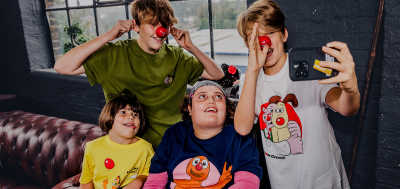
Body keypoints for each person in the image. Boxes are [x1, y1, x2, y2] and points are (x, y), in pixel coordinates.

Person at [54, 0, 224, 146]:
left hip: (175, 145)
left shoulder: (178, 56)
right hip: (131, 149)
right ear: (135, 26)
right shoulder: (113, 54)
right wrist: (109, 35)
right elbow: (62, 66)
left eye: (164, 25)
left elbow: (216, 75)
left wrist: (191, 47)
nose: (160, 31)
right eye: (152, 24)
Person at [234, 0, 360, 188]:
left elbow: (347, 108)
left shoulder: (307, 68)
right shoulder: (250, 80)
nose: (263, 42)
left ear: (284, 34)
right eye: (253, 38)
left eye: (268, 33)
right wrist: (252, 71)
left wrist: (351, 89)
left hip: (323, 180)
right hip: (283, 181)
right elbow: (243, 128)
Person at [143, 80, 262, 189]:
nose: (211, 101)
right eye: (202, 96)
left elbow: (248, 183)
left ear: (226, 109)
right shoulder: (174, 134)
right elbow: (154, 182)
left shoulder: (239, 139)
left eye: (218, 97)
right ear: (189, 108)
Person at [79, 93, 154, 189]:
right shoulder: (92, 147)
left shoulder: (145, 149)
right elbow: (86, 182)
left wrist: (139, 179)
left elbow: (152, 175)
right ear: (109, 117)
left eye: (135, 114)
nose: (131, 117)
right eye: (123, 112)